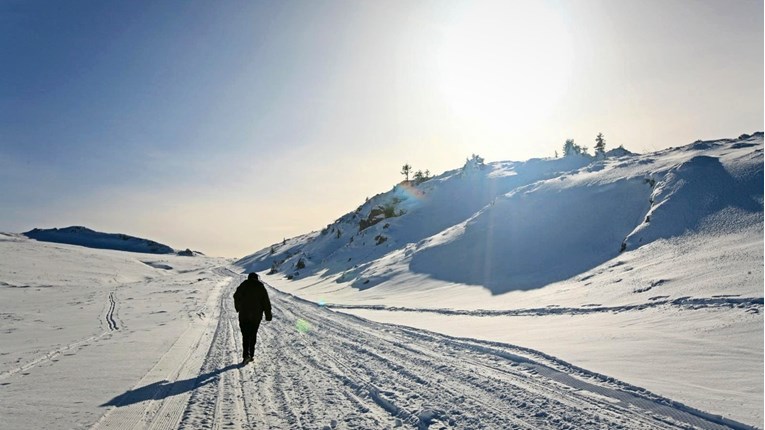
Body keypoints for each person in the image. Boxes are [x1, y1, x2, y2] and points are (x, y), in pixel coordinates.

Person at [233, 272, 272, 365]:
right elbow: (266, 301)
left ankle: (246, 355)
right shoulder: (260, 286)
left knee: (245, 335)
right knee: (253, 334)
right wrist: (268, 314)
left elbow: (236, 296)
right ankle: (251, 355)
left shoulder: (243, 285)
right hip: (256, 316)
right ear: (256, 278)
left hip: (244, 315)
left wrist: (238, 307)